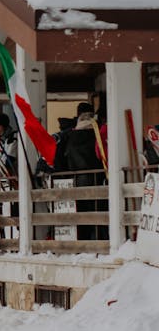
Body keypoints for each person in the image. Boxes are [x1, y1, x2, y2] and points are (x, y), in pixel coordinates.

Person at [53, 102, 105, 240]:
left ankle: (82, 242)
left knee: (81, 213)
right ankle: (98, 240)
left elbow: (61, 159)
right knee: (98, 212)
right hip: (98, 179)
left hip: (77, 180)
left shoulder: (69, 135)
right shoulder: (97, 133)